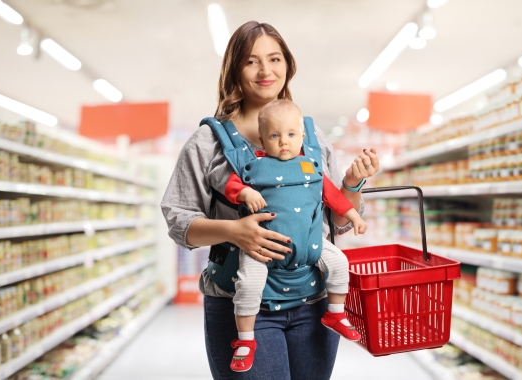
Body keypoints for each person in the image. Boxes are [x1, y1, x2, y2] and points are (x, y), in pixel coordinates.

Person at [160, 20, 380, 380]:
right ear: (234, 70)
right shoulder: (208, 141)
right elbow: (177, 220)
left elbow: (338, 219)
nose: (266, 71)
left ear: (287, 65)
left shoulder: (311, 136)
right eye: (251, 61)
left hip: (314, 305)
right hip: (242, 304)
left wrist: (352, 184)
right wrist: (234, 231)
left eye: (275, 59)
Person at [222, 99, 367, 372]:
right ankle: (245, 340)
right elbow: (232, 186)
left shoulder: (310, 166)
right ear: (262, 140)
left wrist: (354, 216)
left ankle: (336, 313)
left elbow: (333, 196)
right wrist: (245, 192)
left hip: (311, 246)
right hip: (261, 249)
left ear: (303, 136)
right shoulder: (252, 166)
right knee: (249, 284)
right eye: (274, 136)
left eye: (290, 135)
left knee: (339, 263)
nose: (283, 142)